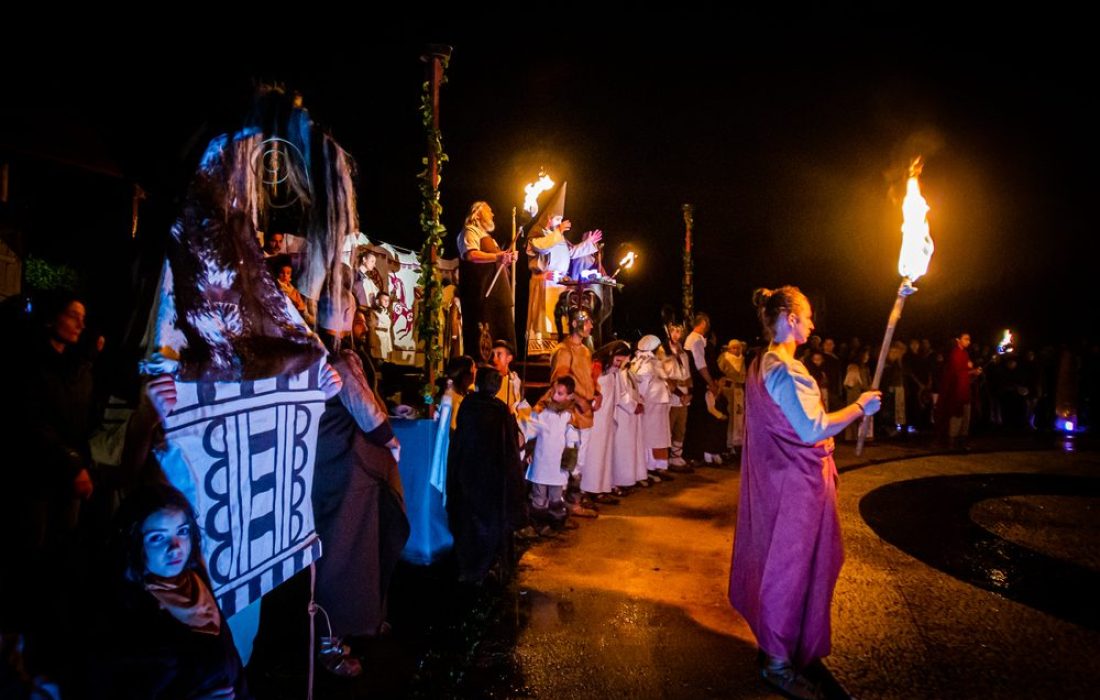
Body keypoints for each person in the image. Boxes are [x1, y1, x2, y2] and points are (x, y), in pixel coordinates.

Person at [728, 286, 881, 699]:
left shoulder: (766, 361)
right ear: (790, 318)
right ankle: (777, 663)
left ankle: (780, 648)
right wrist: (859, 408)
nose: (813, 324)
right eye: (808, 316)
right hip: (795, 487)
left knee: (784, 565)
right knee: (788, 570)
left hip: (785, 480)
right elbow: (812, 428)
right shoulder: (782, 368)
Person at [93, 481, 248, 699]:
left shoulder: (195, 579)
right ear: (132, 542)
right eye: (157, 537)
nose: (176, 547)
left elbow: (231, 660)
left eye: (182, 531)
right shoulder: (121, 610)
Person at [447, 366, 525, 583]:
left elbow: (460, 440)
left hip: (468, 474)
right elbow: (511, 446)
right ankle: (487, 566)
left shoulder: (468, 406)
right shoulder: (500, 411)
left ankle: (469, 567)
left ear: (477, 383)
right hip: (492, 478)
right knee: (490, 523)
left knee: (468, 520)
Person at [457, 201, 518, 362]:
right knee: (485, 340)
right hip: (483, 294)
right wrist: (499, 256)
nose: (492, 214)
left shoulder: (489, 238)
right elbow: (471, 255)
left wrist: (508, 257)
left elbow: (496, 261)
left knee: (502, 337)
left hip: (498, 296)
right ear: (477, 214)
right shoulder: (470, 231)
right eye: (488, 210)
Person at [936, 331, 981, 449]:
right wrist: (972, 371)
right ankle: (951, 442)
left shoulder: (965, 353)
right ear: (958, 340)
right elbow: (956, 373)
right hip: (955, 390)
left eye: (969, 339)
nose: (968, 342)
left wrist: (974, 372)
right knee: (956, 415)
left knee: (966, 415)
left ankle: (962, 441)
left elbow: (965, 371)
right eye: (966, 339)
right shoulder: (955, 353)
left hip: (965, 389)